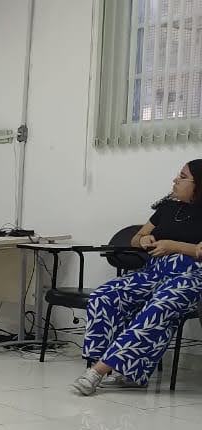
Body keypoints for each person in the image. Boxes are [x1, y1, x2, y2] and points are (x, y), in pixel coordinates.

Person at [73, 160, 202, 395]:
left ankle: (98, 371)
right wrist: (143, 240)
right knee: (105, 295)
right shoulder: (168, 208)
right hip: (154, 272)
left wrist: (174, 246)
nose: (175, 180)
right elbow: (137, 237)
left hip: (190, 276)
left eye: (183, 177)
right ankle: (118, 370)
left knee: (158, 307)